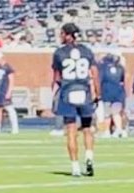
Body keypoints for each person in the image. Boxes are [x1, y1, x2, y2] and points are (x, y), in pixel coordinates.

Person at [52, 23, 99, 178]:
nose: (60, 37)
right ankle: (89, 158)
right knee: (87, 128)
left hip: (68, 91)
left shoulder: (59, 53)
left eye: (62, 34)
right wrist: (97, 93)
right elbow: (94, 73)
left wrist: (57, 91)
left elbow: (57, 77)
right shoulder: (86, 51)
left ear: (67, 35)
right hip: (83, 90)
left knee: (71, 130)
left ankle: (75, 167)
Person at [99, 51, 127, 137]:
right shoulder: (120, 68)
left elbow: (100, 80)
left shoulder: (103, 68)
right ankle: (119, 130)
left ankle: (107, 131)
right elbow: (122, 80)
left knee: (107, 114)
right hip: (118, 93)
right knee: (116, 112)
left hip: (107, 93)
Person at [0, 50, 18, 134]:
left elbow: (11, 80)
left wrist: (9, 92)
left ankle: (15, 128)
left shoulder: (7, 67)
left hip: (4, 90)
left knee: (9, 109)